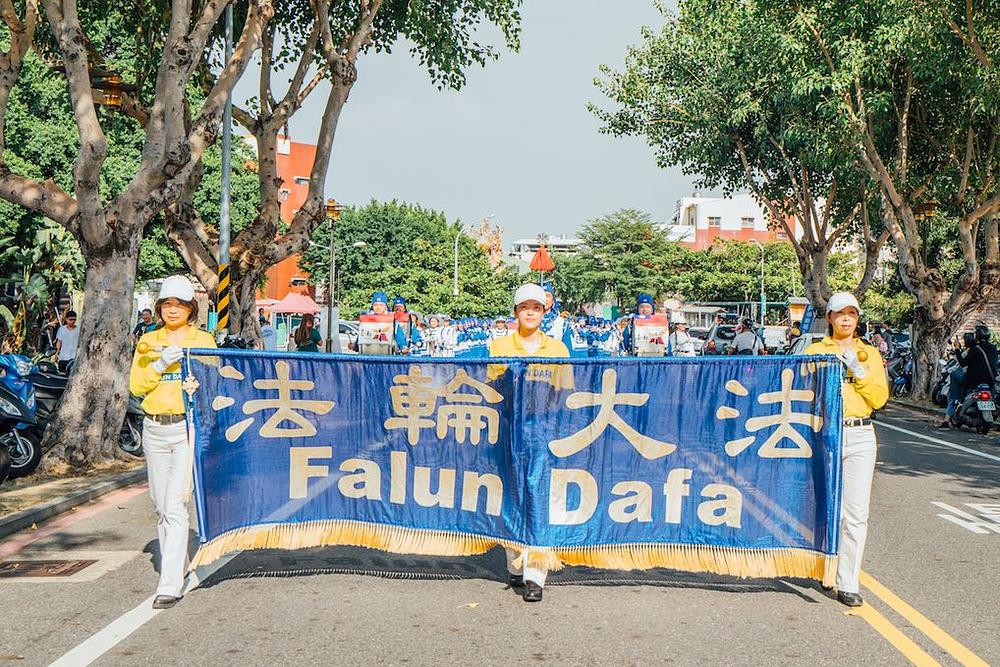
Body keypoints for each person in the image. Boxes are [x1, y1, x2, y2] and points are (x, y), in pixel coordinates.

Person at [129, 275, 217, 609]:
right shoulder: (148, 342)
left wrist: (197, 382)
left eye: (179, 304)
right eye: (167, 304)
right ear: (160, 307)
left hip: (186, 429)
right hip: (153, 428)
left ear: (191, 308)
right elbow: (137, 385)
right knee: (159, 505)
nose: (172, 310)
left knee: (176, 505)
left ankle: (169, 583)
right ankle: (175, 565)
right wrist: (162, 363)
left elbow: (216, 383)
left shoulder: (203, 341)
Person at [805, 292, 888, 607]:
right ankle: (825, 569)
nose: (846, 318)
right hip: (825, 434)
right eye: (840, 313)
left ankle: (848, 582)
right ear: (829, 317)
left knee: (855, 514)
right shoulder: (815, 351)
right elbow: (802, 391)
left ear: (857, 318)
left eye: (851, 313)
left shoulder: (869, 354)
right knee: (825, 507)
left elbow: (879, 399)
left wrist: (859, 371)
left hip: (860, 435)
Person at [488, 283, 569, 603]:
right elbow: (494, 388)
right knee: (510, 493)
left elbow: (563, 394)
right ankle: (514, 562)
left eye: (536, 307)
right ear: (516, 312)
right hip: (509, 428)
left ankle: (536, 573)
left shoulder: (558, 350)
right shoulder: (500, 346)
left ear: (544, 312)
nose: (531, 312)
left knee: (537, 495)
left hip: (542, 431)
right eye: (524, 307)